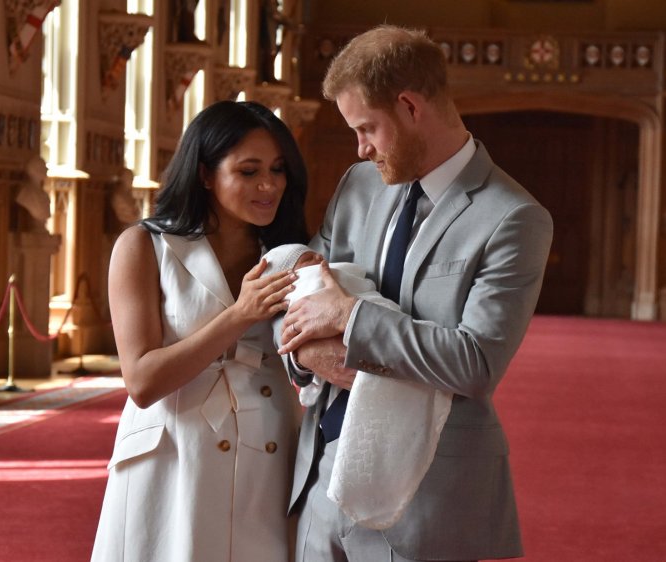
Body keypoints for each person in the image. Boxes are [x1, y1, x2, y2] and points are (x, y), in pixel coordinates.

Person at [277, 25, 554, 562]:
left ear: (408, 106)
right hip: (321, 473)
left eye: (367, 128)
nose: (360, 147)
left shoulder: (514, 217)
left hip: (428, 497)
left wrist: (350, 315)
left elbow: (474, 361)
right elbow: (295, 289)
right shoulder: (358, 185)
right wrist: (311, 354)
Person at [91, 100, 308, 562]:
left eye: (277, 169)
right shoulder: (145, 246)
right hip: (174, 460)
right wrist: (239, 315)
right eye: (248, 171)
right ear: (206, 173)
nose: (268, 185)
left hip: (270, 457)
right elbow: (142, 382)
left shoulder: (292, 254)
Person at [262, 243, 452, 530]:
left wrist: (350, 313)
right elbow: (279, 306)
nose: (318, 259)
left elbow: (478, 361)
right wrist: (302, 349)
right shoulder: (346, 201)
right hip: (320, 462)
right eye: (307, 260)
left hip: (413, 353)